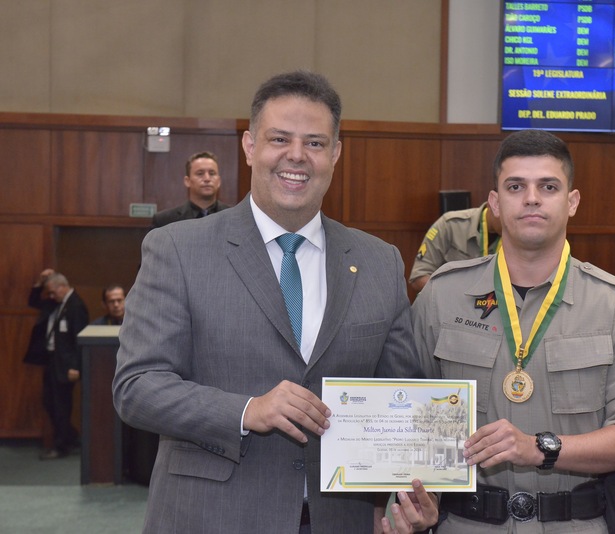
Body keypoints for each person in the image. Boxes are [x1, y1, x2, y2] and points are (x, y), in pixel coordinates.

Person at [113, 70, 438, 534]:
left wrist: (409, 493)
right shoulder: (177, 249)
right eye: (280, 139)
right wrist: (247, 411)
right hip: (211, 517)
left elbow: (400, 394)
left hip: (339, 520)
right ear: (250, 147)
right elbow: (137, 387)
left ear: (335, 154)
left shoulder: (378, 262)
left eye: (315, 143)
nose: (296, 156)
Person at [411, 129, 615, 533]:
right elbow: (405, 415)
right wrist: (411, 503)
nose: (531, 198)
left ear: (572, 202)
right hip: (465, 522)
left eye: (548, 186)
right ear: (495, 203)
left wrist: (539, 448)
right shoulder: (442, 297)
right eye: (516, 186)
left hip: (577, 523)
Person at [24, 269, 89, 460]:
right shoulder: (55, 304)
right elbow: (33, 302)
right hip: (51, 361)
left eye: (52, 292)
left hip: (66, 365)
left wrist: (76, 366)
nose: (50, 296)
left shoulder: (76, 305)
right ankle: (69, 436)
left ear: (62, 287)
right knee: (49, 402)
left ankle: (61, 446)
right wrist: (39, 283)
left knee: (61, 406)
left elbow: (79, 339)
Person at [409, 202, 501, 292]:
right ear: (493, 203)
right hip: (447, 300)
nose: (507, 224)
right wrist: (453, 294)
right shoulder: (449, 225)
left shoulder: (509, 235)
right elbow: (418, 277)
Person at [151, 151, 230, 228]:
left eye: (212, 173)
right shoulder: (164, 220)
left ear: (219, 181)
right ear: (187, 181)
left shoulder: (234, 217)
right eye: (200, 173)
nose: (207, 179)